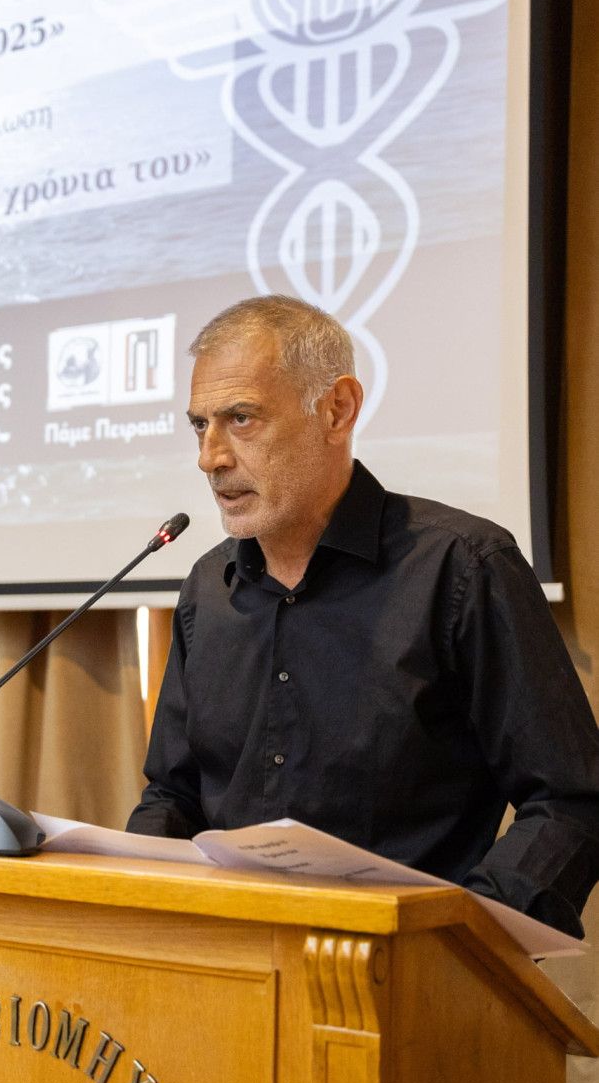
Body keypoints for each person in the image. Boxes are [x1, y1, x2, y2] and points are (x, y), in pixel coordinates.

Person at [127, 295, 599, 936]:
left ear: (337, 410)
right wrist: (128, 895)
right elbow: (173, 796)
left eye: (241, 419)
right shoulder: (208, 589)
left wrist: (462, 940)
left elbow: (568, 800)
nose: (210, 457)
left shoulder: (463, 568)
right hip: (231, 962)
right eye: (199, 425)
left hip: (404, 968)